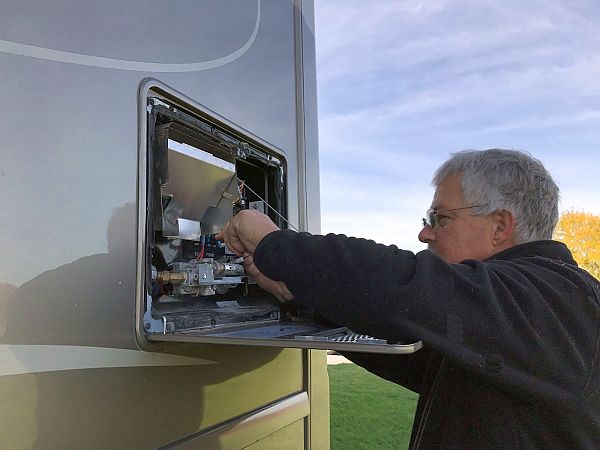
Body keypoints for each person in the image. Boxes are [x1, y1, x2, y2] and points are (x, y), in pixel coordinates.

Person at [216, 149, 600, 449]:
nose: (425, 235)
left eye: (440, 218)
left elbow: (402, 285)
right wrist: (296, 294)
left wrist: (271, 241)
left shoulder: (561, 300)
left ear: (500, 226)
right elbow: (406, 343)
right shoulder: (510, 316)